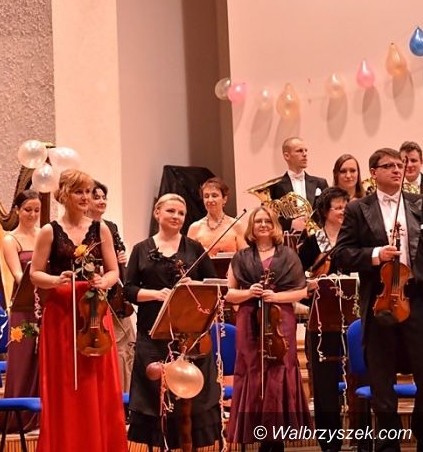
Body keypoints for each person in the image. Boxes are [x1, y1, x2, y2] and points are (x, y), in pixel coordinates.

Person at [335, 148, 423, 452]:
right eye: (389, 165)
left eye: (399, 165)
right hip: (380, 303)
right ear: (373, 172)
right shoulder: (358, 209)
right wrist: (375, 254)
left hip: (418, 300)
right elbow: (342, 255)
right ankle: (388, 444)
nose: (397, 170)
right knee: (382, 383)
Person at [30, 169, 127, 452]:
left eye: (88, 192)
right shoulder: (49, 231)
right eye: (79, 192)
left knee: (96, 381)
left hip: (94, 314)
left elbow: (113, 271)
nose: (86, 197)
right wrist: (55, 280)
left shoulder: (101, 228)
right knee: (66, 385)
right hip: (61, 315)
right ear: (64, 194)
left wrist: (103, 282)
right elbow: (35, 274)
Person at [125, 193, 221, 450]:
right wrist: (156, 294)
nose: (176, 216)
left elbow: (213, 285)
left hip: (190, 334)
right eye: (171, 211)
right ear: (157, 213)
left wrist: (194, 285)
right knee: (156, 393)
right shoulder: (141, 249)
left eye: (181, 213)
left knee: (192, 400)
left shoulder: (195, 248)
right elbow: (129, 290)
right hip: (153, 332)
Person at [225, 205, 311, 452]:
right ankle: (258, 435)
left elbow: (302, 291)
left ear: (275, 226)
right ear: (251, 227)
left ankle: (276, 439)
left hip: (280, 319)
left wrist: (276, 297)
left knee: (279, 369)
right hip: (249, 319)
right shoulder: (241, 257)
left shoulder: (288, 255)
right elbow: (229, 294)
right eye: (258, 221)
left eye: (267, 221)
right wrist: (248, 293)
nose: (262, 225)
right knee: (252, 369)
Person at [298, 187, 370, 452]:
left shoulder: (358, 238)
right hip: (322, 320)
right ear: (325, 211)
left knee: (360, 377)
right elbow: (298, 280)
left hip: (356, 318)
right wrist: (311, 286)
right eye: (337, 207)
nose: (343, 211)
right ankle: (330, 443)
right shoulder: (312, 242)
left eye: (346, 206)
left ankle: (363, 438)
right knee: (324, 383)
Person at [0, 189, 41, 434]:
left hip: (45, 303)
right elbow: (18, 274)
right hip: (24, 305)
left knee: (44, 359)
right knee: (24, 359)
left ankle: (43, 416)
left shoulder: (44, 234)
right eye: (27, 210)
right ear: (17, 211)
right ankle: (21, 418)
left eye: (36, 210)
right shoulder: (10, 240)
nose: (32, 214)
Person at [86, 180, 135, 394]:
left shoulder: (110, 226)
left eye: (104, 197)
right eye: (96, 197)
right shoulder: (82, 229)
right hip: (93, 294)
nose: (101, 201)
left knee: (127, 346)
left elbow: (115, 262)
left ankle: (126, 393)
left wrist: (121, 259)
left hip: (115, 293)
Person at [269, 137, 329, 232]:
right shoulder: (275, 186)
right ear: (287, 156)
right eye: (299, 151)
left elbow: (328, 212)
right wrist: (290, 224)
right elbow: (269, 218)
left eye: (306, 150)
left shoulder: (320, 183)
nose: (305, 154)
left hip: (317, 236)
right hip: (288, 237)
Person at [187, 177, 246, 256]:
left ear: (224, 199)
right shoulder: (194, 228)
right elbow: (189, 258)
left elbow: (244, 257)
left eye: (214, 196)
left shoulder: (236, 225)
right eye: (206, 196)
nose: (210, 200)